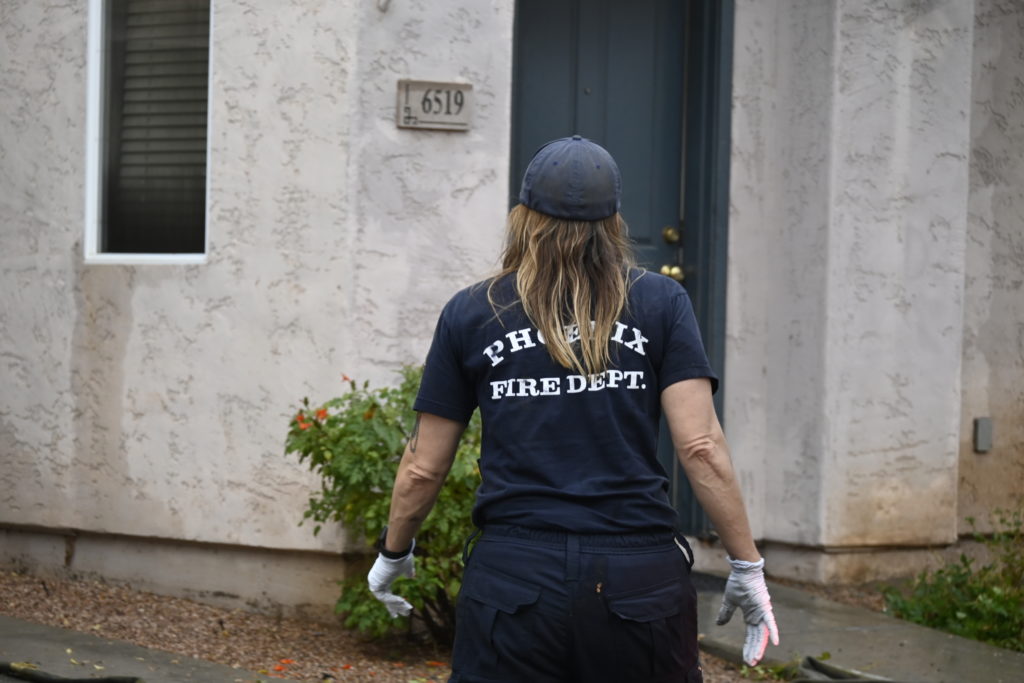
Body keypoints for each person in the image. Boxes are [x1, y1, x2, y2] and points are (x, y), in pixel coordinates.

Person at [367, 135, 778, 682]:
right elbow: (701, 446)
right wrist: (746, 565)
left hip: (514, 582)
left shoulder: (473, 312)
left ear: (523, 219)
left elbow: (423, 466)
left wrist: (394, 552)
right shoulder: (661, 303)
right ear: (613, 223)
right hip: (639, 581)